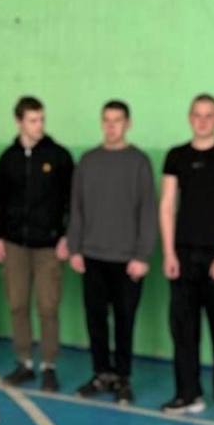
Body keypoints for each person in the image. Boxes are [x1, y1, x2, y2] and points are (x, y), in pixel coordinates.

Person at [159, 94, 214, 423]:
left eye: (209, 115)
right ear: (189, 118)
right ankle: (187, 393)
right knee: (183, 330)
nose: (203, 121)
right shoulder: (176, 157)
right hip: (183, 256)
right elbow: (167, 206)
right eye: (197, 115)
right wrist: (169, 252)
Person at [67, 100, 157, 405]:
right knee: (95, 320)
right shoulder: (88, 161)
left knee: (124, 321)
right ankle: (101, 373)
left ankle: (123, 378)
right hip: (92, 256)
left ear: (127, 124)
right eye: (106, 120)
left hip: (127, 260)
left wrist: (143, 255)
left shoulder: (139, 162)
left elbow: (148, 211)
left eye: (117, 120)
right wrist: (75, 247)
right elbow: (76, 207)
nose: (111, 126)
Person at [0, 96, 74, 392]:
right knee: (17, 304)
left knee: (48, 306)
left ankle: (49, 366)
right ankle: (24, 362)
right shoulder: (8, 158)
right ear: (19, 122)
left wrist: (67, 235)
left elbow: (71, 200)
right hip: (15, 244)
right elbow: (1, 201)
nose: (39, 125)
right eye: (33, 120)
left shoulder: (60, 156)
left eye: (41, 119)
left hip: (49, 245)